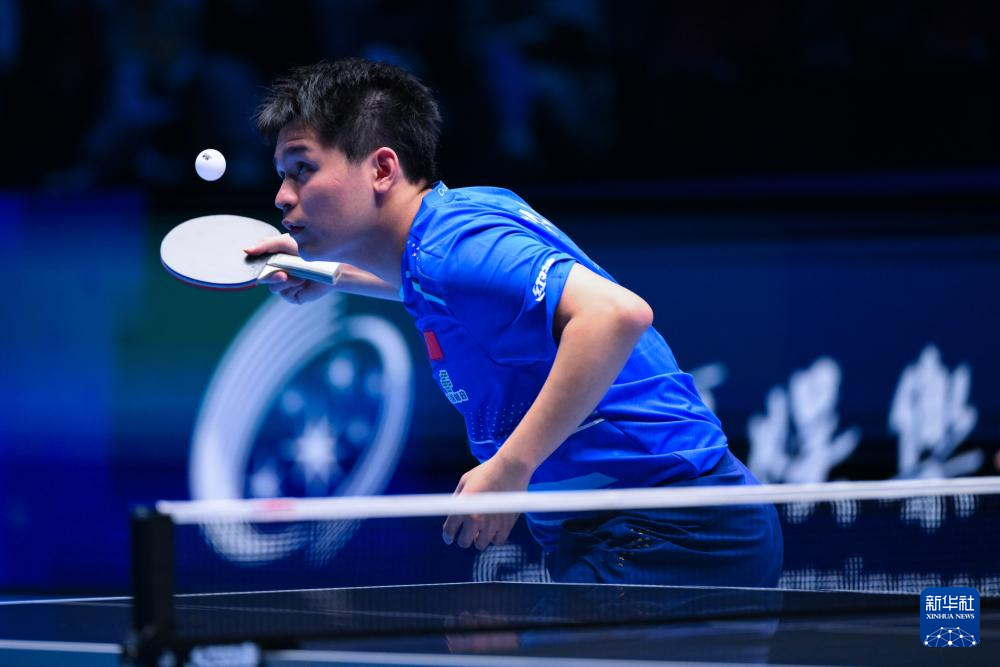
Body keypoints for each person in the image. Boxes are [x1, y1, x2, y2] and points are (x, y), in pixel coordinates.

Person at [247, 58, 782, 587]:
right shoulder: (450, 228)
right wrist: (334, 275)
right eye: (282, 175)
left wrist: (511, 467)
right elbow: (452, 289)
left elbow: (615, 314)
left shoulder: (456, 249)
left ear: (382, 169)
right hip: (646, 525)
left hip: (674, 528)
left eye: (303, 169)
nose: (282, 195)